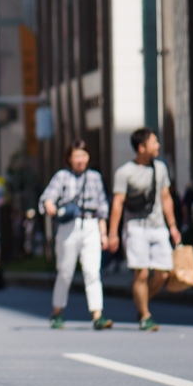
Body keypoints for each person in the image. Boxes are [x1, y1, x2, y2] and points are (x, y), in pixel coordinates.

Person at [108, 128, 181, 331]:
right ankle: (145, 315)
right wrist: (113, 233)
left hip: (158, 227)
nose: (158, 146)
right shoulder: (125, 172)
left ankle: (142, 302)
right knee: (141, 273)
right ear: (142, 147)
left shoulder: (161, 168)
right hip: (135, 227)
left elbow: (166, 197)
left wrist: (173, 226)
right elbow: (118, 203)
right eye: (154, 142)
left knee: (164, 273)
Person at [39, 139, 112, 329]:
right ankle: (57, 311)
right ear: (69, 158)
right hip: (68, 226)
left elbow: (103, 207)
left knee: (92, 271)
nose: (81, 159)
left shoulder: (95, 177)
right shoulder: (62, 177)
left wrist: (104, 233)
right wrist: (49, 204)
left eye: (84, 155)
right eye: (77, 155)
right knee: (65, 271)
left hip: (91, 225)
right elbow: (47, 197)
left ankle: (97, 314)